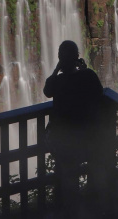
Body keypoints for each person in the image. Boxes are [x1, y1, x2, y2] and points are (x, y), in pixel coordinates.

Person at [42, 40, 104, 217]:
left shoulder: (57, 81)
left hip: (63, 139)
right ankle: (85, 207)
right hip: (86, 137)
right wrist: (83, 69)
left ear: (60, 59)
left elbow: (47, 91)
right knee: (77, 173)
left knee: (66, 175)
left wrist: (57, 69)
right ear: (77, 57)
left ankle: (67, 209)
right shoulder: (88, 76)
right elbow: (98, 94)